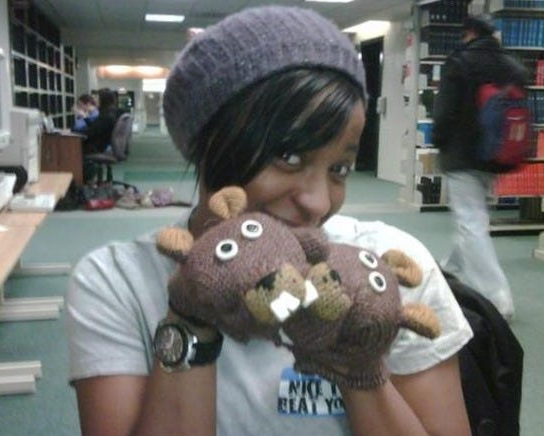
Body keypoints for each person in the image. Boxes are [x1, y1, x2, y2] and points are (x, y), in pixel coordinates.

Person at [66, 6, 473, 435]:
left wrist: (357, 365)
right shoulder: (117, 282)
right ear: (210, 144)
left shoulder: (386, 270)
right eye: (289, 156)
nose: (318, 203)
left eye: (339, 168)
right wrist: (190, 317)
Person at [432, 14, 527, 321]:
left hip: (462, 156)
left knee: (471, 221)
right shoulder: (511, 65)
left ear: (469, 32)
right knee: (473, 217)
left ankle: (498, 298)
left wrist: (439, 141)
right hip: (495, 156)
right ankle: (449, 268)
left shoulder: (459, 63)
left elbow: (444, 113)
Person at [79, 87, 121, 154]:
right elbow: (96, 127)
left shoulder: (106, 116)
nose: (94, 100)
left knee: (70, 143)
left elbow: (90, 133)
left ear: (103, 100)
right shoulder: (110, 112)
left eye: (97, 98)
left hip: (96, 147)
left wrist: (74, 132)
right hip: (102, 144)